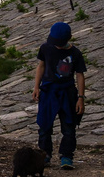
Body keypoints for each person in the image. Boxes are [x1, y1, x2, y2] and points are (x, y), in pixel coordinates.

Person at [31, 21, 86, 169]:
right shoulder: (45, 48)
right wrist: (36, 86)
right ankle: (44, 155)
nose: (57, 45)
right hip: (48, 91)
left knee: (69, 126)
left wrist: (81, 98)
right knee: (44, 125)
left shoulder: (75, 53)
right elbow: (41, 66)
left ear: (69, 38)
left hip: (68, 93)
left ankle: (67, 156)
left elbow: (80, 75)